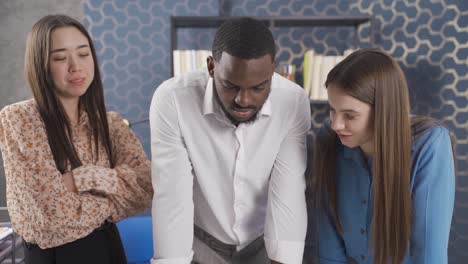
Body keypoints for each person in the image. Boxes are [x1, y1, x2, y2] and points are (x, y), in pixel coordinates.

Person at [150, 17, 310, 264]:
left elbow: (288, 193)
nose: (244, 100)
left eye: (258, 87)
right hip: (200, 242)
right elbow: (172, 199)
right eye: (230, 86)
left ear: (273, 70)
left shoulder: (293, 101)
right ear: (211, 66)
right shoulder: (172, 100)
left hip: (262, 242)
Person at [0, 14, 153, 264]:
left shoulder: (111, 122)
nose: (76, 67)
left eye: (83, 54)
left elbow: (145, 187)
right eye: (60, 58)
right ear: (40, 64)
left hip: (109, 247)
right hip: (53, 256)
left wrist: (82, 177)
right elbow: (49, 217)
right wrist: (111, 198)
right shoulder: (20, 119)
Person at [311, 48, 455, 264]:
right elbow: (329, 246)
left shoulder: (430, 144)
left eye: (350, 115)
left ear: (384, 111)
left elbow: (428, 253)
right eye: (332, 110)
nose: (336, 124)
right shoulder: (329, 138)